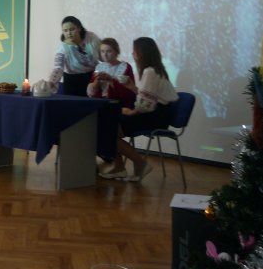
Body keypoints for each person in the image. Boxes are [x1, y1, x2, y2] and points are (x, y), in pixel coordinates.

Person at [99, 37, 179, 182]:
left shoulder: (149, 72)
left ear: (142, 53)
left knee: (109, 127)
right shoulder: (155, 70)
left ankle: (138, 164)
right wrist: (132, 87)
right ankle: (123, 167)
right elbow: (149, 97)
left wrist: (131, 112)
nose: (133, 54)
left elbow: (146, 104)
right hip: (157, 114)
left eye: (135, 51)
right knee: (110, 126)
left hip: (155, 116)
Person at [49, 16, 101, 96]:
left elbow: (102, 54)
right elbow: (58, 68)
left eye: (72, 29)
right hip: (72, 81)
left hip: (92, 79)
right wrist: (51, 82)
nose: (69, 33)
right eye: (65, 31)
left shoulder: (91, 37)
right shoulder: (62, 48)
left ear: (79, 28)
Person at [87, 38, 136, 109]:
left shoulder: (125, 67)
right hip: (101, 103)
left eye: (109, 51)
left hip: (119, 104)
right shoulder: (99, 67)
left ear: (116, 52)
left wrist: (110, 80)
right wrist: (97, 80)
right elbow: (92, 92)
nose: (105, 54)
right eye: (102, 51)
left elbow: (129, 91)